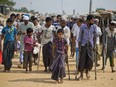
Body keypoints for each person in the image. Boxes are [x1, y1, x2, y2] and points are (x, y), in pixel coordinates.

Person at [77, 15, 96, 80]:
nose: (93, 21)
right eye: (92, 20)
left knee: (90, 59)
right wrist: (79, 47)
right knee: (82, 60)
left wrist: (94, 45)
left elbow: (95, 36)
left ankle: (87, 71)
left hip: (90, 45)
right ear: (88, 20)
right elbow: (80, 37)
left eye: (93, 20)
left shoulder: (94, 26)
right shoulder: (83, 26)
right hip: (83, 45)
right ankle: (81, 75)